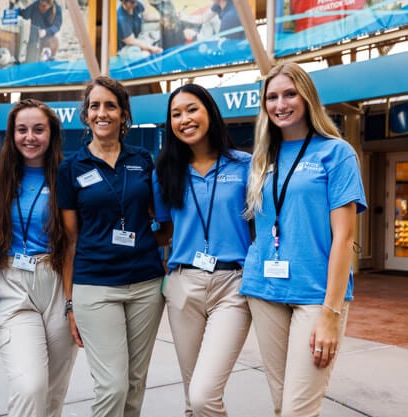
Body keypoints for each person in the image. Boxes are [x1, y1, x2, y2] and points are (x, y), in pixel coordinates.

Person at [240, 62, 367, 416]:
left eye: (290, 94)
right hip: (265, 292)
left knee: (298, 409)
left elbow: (344, 238)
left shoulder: (336, 153)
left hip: (316, 295)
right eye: (272, 97)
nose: (280, 104)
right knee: (283, 406)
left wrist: (331, 312)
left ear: (307, 97)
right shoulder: (262, 158)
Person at [57, 76, 165, 417]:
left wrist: (146, 241)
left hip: (146, 285)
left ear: (123, 114)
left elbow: (160, 221)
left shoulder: (143, 160)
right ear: (86, 115)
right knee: (112, 385)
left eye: (110, 106)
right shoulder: (71, 168)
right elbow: (70, 240)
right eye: (94, 106)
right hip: (95, 286)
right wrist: (70, 303)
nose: (102, 113)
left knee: (134, 383)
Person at [153, 83, 252, 417]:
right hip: (183, 285)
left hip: (232, 286)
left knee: (203, 395)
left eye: (192, 109)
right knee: (191, 396)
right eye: (176, 114)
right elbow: (165, 231)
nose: (185, 119)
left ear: (209, 111)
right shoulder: (166, 172)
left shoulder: (244, 165)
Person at [0, 99, 78, 417]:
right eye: (22, 130)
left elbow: (74, 242)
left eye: (39, 129)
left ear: (52, 134)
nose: (30, 137)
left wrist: (72, 300)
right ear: (12, 135)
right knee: (30, 385)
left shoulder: (67, 177)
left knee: (53, 391)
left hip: (56, 281)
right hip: (12, 286)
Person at [178, 0, 245, 41]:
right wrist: (184, 17)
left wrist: (195, 36)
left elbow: (220, 46)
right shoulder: (220, 3)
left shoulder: (230, 17)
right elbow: (204, 18)